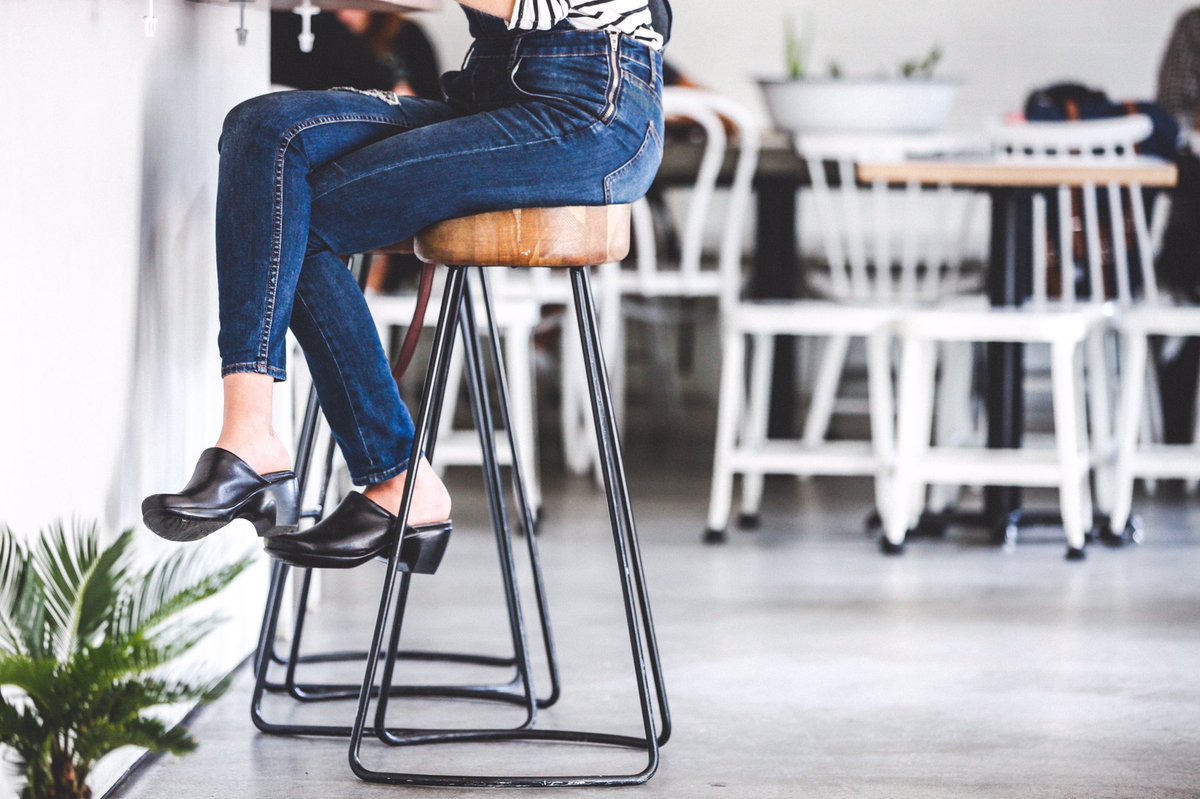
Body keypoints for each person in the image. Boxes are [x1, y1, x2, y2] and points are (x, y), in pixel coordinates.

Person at [140, 0, 672, 567]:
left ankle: (397, 478)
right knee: (264, 127)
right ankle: (249, 436)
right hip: (492, 96)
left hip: (589, 112)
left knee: (293, 217)